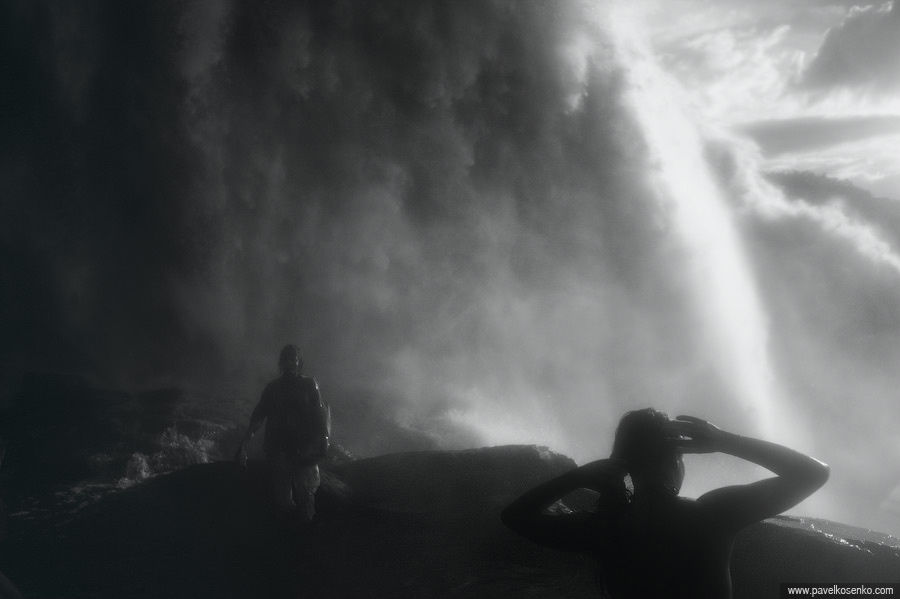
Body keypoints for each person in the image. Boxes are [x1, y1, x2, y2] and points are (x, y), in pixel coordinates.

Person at [501, 409, 829, 599]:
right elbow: (813, 473)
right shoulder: (712, 515)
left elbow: (515, 517)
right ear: (676, 462)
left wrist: (576, 477)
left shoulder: (605, 528)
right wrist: (724, 441)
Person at [236, 345, 331, 526]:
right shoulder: (272, 389)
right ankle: (289, 534)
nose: (289, 363)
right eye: (286, 359)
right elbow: (258, 417)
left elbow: (320, 415)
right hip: (279, 452)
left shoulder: (309, 384)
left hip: (304, 451)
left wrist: (324, 441)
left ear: (299, 362)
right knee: (283, 501)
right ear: (281, 363)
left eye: (293, 359)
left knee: (306, 496)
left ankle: (305, 534)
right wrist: (244, 445)